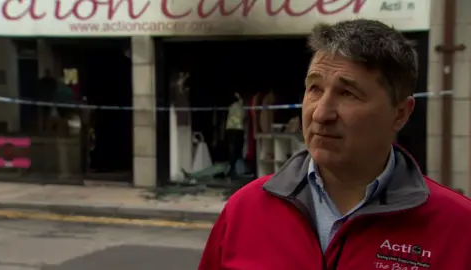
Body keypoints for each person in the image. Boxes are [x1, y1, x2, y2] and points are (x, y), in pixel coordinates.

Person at [199, 19, 471, 270]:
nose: (320, 114)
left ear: (400, 113)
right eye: (314, 89)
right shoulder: (244, 209)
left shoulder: (459, 227)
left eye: (347, 93)